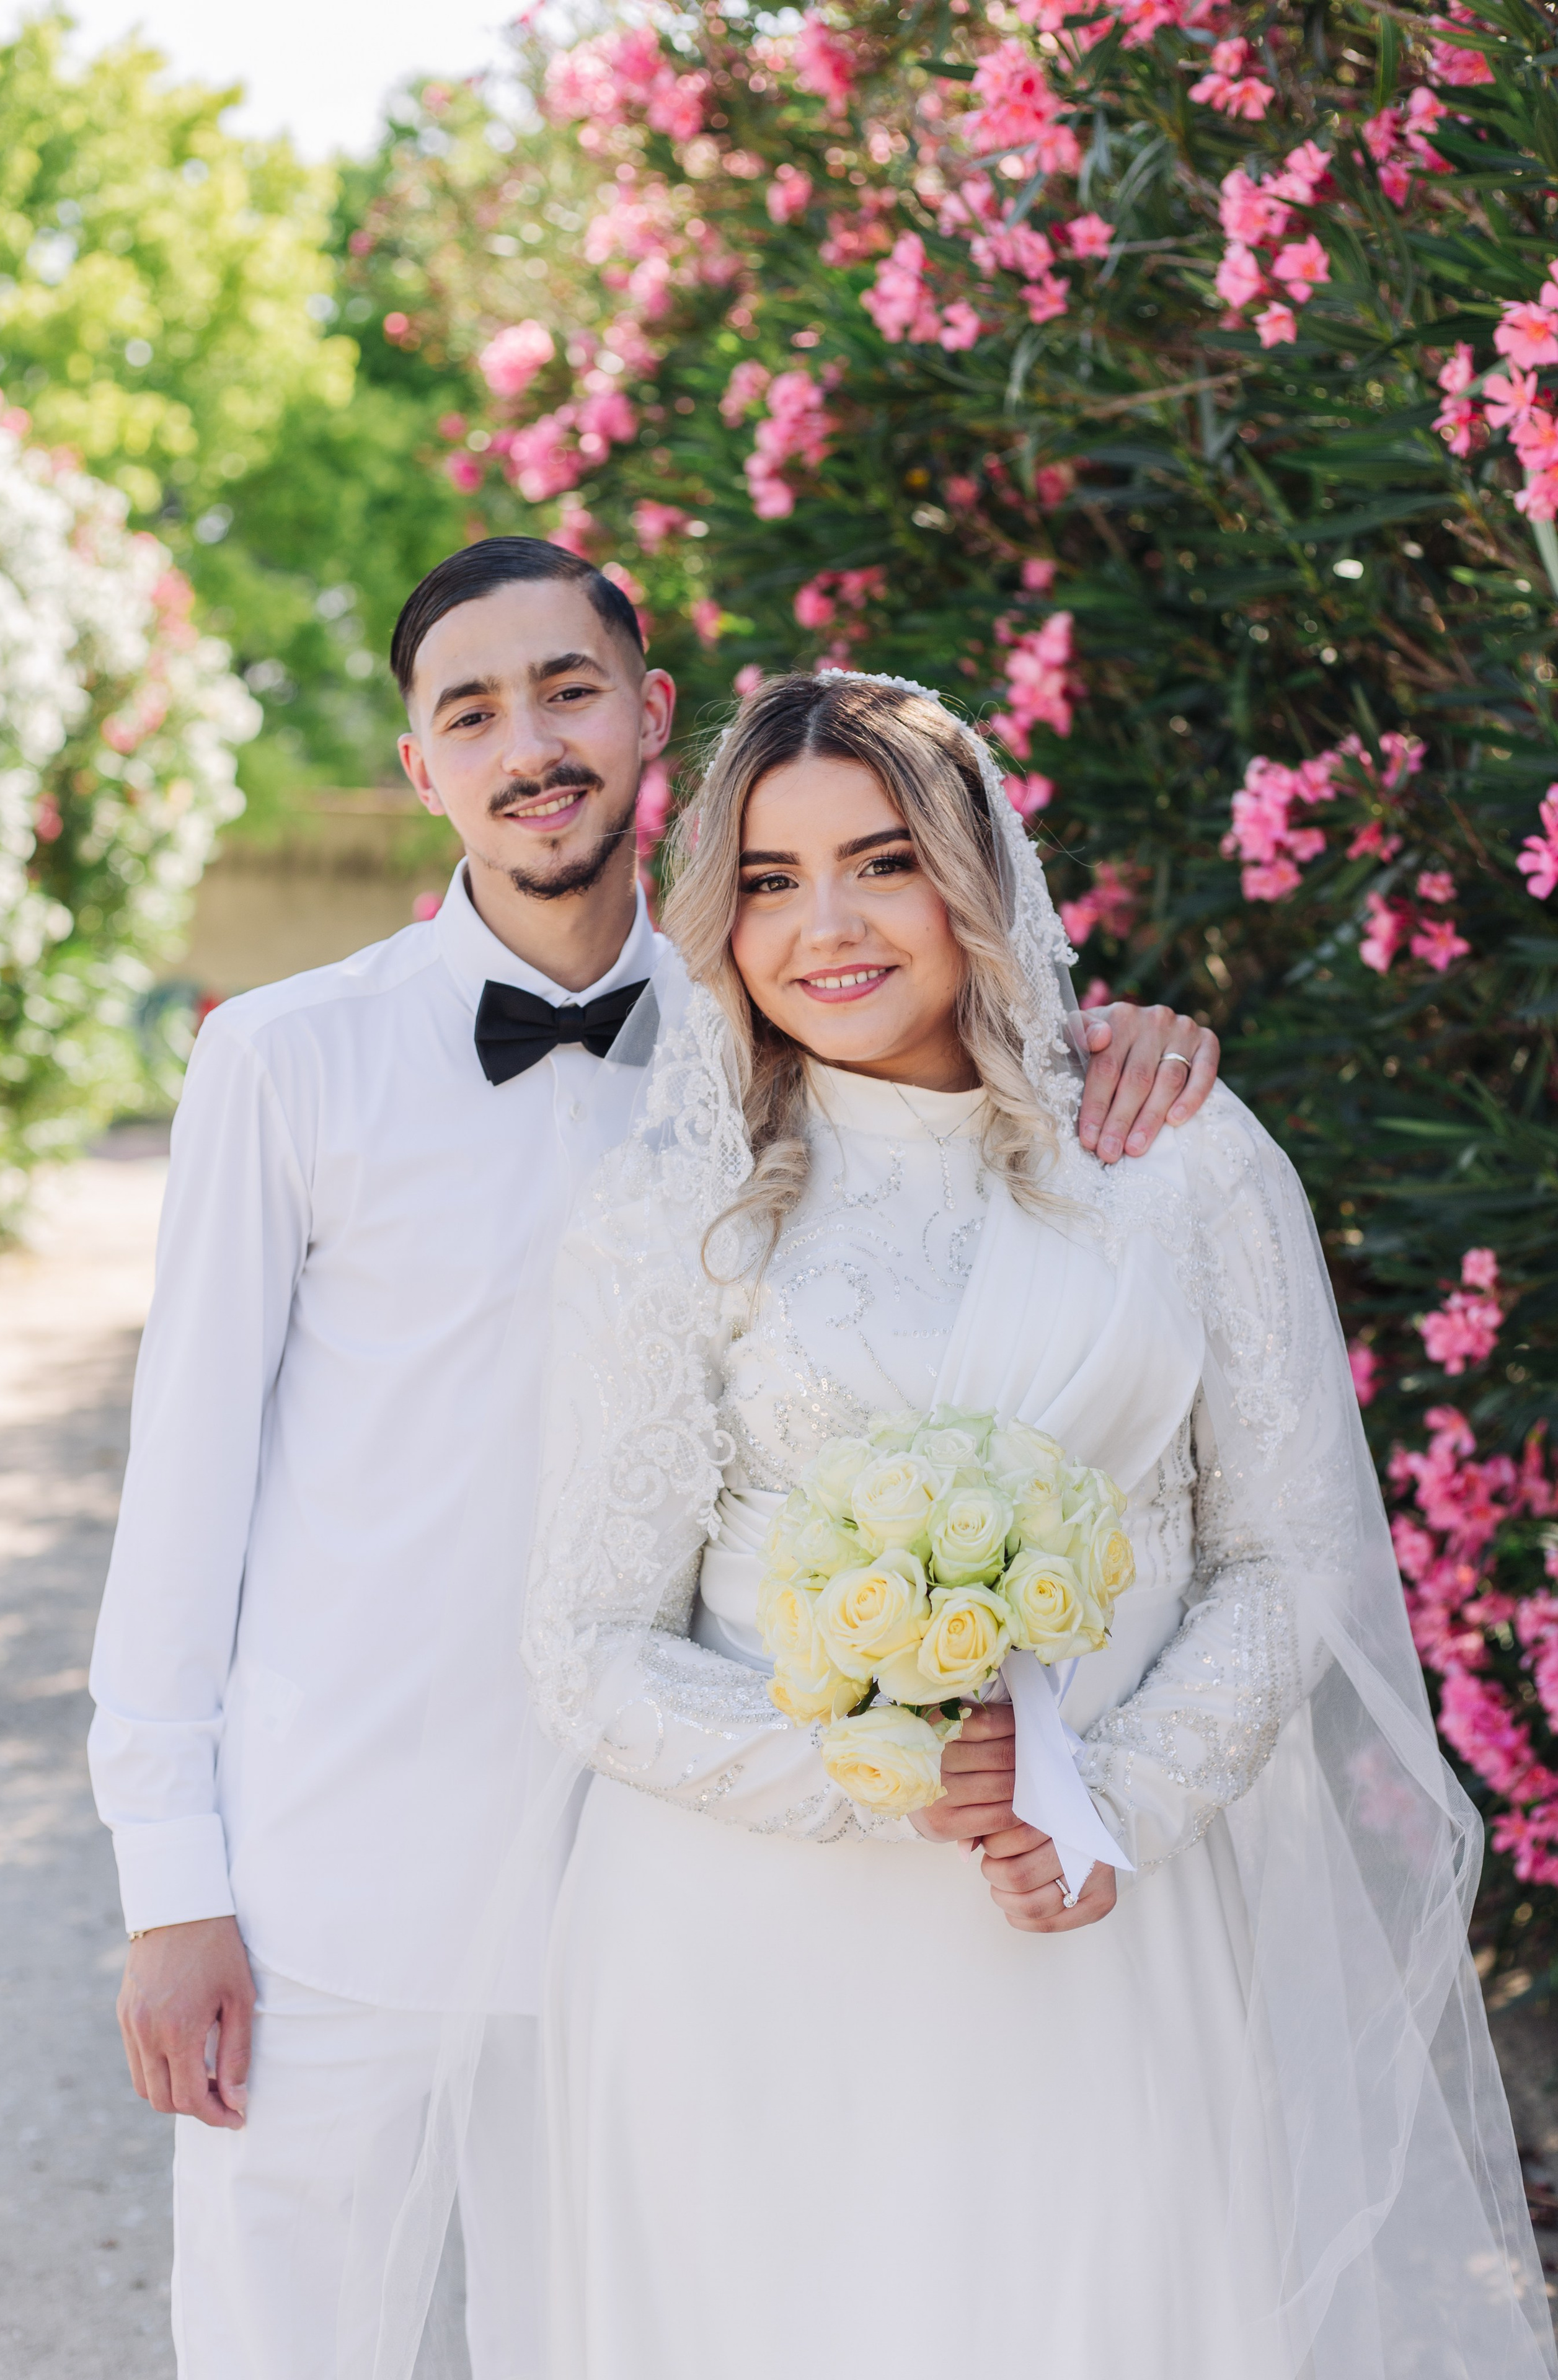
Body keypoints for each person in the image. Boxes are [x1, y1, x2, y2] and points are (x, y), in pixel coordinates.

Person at [86, 539, 1220, 2380]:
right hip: (342, 1877)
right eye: (473, 711)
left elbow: (984, 1117)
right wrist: (172, 1886)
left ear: (648, 720)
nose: (529, 743)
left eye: (568, 691)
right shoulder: (287, 1064)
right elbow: (183, 1494)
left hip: (678, 1888)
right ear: (420, 768)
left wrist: (1134, 1041)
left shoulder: (788, 1020)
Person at [520, 669, 1554, 2380]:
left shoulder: (1175, 1155)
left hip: (1097, 1925)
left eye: (883, 862)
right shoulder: (664, 1218)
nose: (826, 926)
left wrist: (1110, 1802)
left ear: (979, 880)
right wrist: (894, 1773)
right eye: (770, 881)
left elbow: (1283, 1552)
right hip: (745, 1955)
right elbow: (584, 1645)